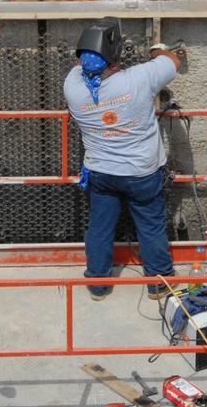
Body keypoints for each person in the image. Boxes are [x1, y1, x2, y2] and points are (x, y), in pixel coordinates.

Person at [64, 18, 182, 301]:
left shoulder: (72, 86)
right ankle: (159, 283)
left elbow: (82, 69)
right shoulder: (139, 78)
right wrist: (157, 50)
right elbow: (173, 61)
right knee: (150, 226)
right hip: (142, 173)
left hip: (101, 173)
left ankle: (98, 283)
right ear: (115, 56)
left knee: (100, 227)